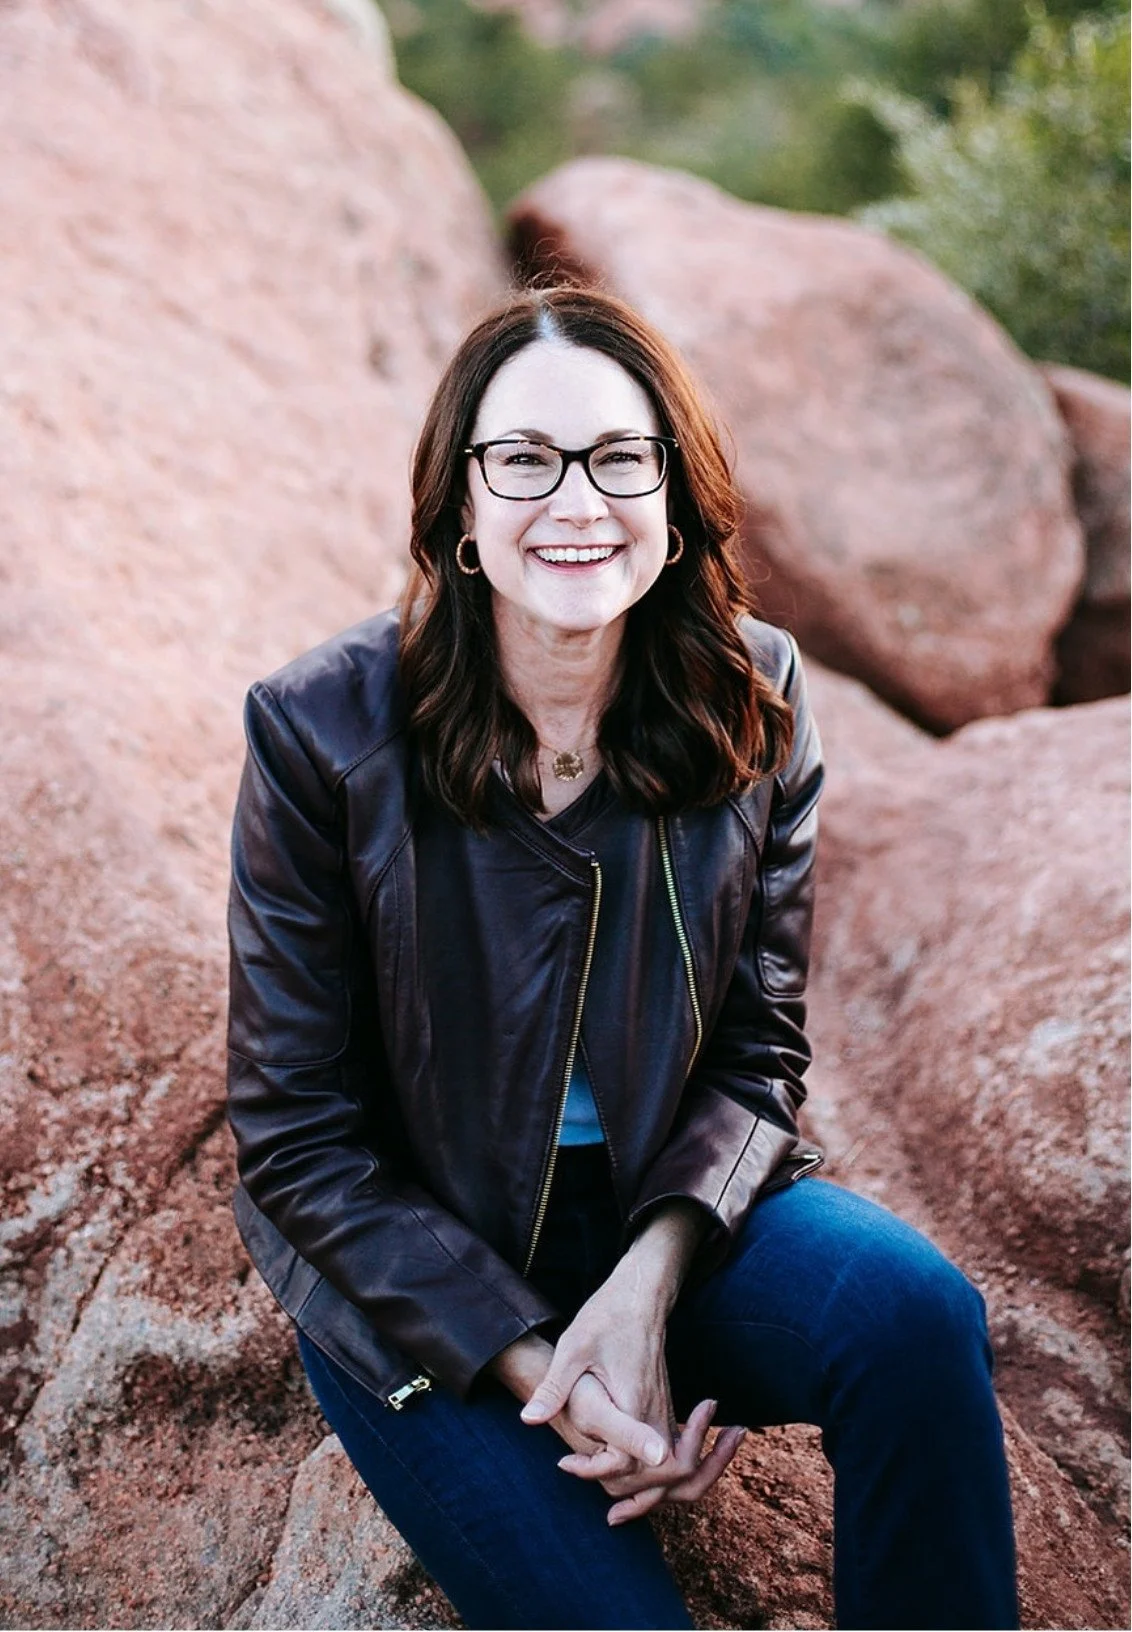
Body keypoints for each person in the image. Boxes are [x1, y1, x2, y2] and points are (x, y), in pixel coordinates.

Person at [226, 285, 1019, 1630]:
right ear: (461, 508)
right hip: (426, 1282)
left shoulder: (751, 699)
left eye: (617, 459)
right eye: (524, 460)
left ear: (674, 495)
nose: (575, 502)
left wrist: (644, 1294)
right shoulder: (320, 732)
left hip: (673, 1224)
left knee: (916, 1317)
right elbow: (297, 1137)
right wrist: (558, 1370)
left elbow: (760, 1050)